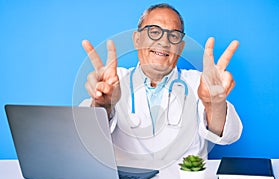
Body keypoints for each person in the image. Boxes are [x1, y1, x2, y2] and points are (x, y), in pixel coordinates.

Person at [80, 3, 242, 168]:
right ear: (137, 39)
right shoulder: (113, 81)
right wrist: (102, 105)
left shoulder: (199, 83)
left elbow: (229, 135)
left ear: (180, 47)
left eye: (173, 36)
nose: (164, 42)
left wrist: (213, 104)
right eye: (155, 32)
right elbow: (86, 136)